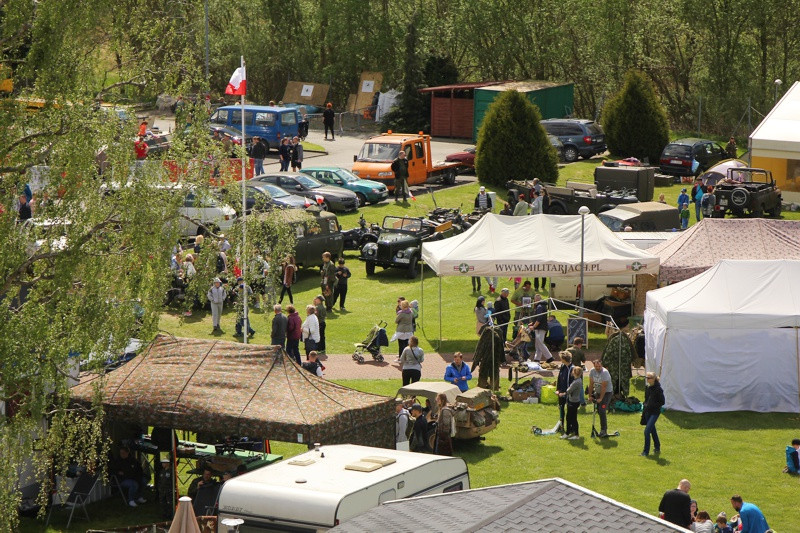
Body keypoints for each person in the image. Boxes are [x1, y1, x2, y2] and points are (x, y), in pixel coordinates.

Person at [641, 371, 665, 456]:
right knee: (652, 430)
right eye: (646, 378)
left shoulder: (658, 389)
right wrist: (645, 406)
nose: (647, 379)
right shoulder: (648, 388)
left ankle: (645, 451)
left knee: (647, 431)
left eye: (649, 378)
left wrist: (653, 405)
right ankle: (657, 446)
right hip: (647, 412)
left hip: (654, 412)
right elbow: (646, 400)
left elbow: (662, 402)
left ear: (654, 379)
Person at [589, 359, 613, 437]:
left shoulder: (605, 373)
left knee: (602, 410)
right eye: (596, 366)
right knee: (599, 411)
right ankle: (602, 428)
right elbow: (591, 384)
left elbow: (604, 387)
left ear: (601, 365)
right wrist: (590, 396)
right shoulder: (592, 371)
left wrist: (601, 398)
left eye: (599, 366)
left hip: (607, 393)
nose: (598, 368)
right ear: (594, 365)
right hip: (598, 392)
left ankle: (604, 430)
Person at [558, 366, 582, 440]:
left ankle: (573, 434)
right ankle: (570, 433)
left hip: (573, 402)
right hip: (575, 401)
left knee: (571, 418)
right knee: (571, 418)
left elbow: (568, 391)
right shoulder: (579, 380)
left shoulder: (576, 382)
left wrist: (562, 394)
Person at [530, 294, 553, 363]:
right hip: (540, 327)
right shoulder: (541, 306)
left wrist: (534, 326)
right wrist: (533, 323)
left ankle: (549, 357)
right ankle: (537, 358)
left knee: (539, 342)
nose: (535, 301)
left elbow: (539, 318)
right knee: (538, 343)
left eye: (536, 299)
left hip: (540, 327)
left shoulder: (539, 307)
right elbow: (538, 318)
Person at [556, 352, 573, 430]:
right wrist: (558, 390)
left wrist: (566, 393)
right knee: (561, 409)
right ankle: (561, 425)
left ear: (564, 359)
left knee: (570, 412)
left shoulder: (572, 368)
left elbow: (573, 383)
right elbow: (559, 379)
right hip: (561, 391)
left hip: (569, 393)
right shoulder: (562, 366)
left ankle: (571, 427)